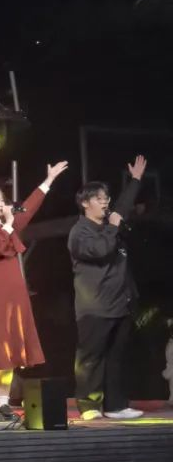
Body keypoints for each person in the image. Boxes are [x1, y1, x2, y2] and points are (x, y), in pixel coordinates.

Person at [0, 161, 69, 422]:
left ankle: (3, 402)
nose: (1, 204)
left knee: (9, 346)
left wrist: (48, 181)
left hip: (14, 293)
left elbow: (30, 208)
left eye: (2, 200)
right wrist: (10, 224)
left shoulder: (7, 225)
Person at [68, 155, 148, 421]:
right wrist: (113, 227)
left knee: (116, 357)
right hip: (95, 307)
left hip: (120, 303)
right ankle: (89, 405)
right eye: (99, 198)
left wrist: (135, 181)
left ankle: (116, 405)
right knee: (91, 359)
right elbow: (100, 250)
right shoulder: (80, 232)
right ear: (85, 203)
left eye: (106, 198)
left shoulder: (110, 226)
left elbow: (121, 210)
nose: (105, 202)